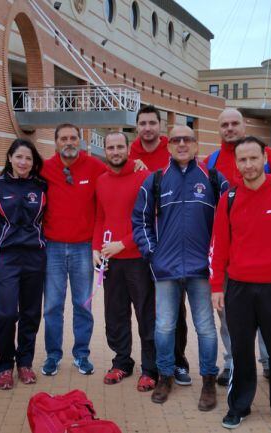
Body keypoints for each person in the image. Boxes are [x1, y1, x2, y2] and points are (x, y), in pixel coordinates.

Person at [209, 136, 271, 432]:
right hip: (239, 288)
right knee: (240, 350)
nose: (249, 165)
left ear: (265, 158)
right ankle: (239, 406)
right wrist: (217, 286)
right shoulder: (228, 197)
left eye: (254, 158)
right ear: (236, 163)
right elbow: (220, 246)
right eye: (243, 160)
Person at [132, 124, 226, 411]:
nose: (182, 144)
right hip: (166, 270)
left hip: (201, 270)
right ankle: (165, 376)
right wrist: (152, 254)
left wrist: (218, 260)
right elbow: (140, 220)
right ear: (169, 145)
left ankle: (208, 380)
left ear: (196, 145)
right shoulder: (156, 180)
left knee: (206, 328)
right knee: (164, 327)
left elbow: (229, 222)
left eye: (187, 139)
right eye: (176, 140)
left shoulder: (212, 179)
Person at [205, 108, 271, 385]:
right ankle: (232, 363)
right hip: (229, 256)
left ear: (245, 125)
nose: (230, 128)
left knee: (269, 318)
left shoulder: (270, 157)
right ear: (219, 129)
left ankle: (268, 361)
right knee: (228, 318)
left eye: (235, 123)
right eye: (225, 124)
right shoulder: (211, 161)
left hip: (267, 260)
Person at [130, 105, 192, 386]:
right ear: (136, 127)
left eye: (152, 123)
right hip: (145, 247)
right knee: (150, 310)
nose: (147, 128)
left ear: (160, 127)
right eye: (142, 123)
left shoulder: (175, 151)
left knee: (176, 310)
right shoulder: (128, 155)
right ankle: (152, 365)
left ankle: (178, 362)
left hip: (175, 248)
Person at [40, 123, 108, 376]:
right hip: (53, 247)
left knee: (82, 304)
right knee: (53, 306)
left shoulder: (95, 166)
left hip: (83, 247)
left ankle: (81, 355)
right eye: (63, 138)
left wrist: (137, 165)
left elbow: (117, 171)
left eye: (73, 137)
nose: (69, 142)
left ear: (80, 140)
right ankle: (52, 355)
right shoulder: (44, 169)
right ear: (56, 142)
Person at [93, 132, 156, 391]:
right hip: (111, 261)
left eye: (120, 146)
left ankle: (150, 368)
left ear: (129, 149)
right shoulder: (101, 181)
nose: (116, 151)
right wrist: (95, 247)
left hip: (138, 259)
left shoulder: (145, 177)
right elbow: (100, 217)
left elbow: (151, 218)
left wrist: (125, 243)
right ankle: (122, 362)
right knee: (115, 314)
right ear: (105, 150)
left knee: (146, 315)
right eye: (111, 147)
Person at [0, 139, 48, 390]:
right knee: (5, 313)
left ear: (34, 163)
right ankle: (4, 365)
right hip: (6, 257)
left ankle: (25, 362)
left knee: (31, 313)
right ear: (10, 158)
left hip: (35, 256)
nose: (24, 162)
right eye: (19, 157)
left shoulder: (42, 186)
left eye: (28, 159)